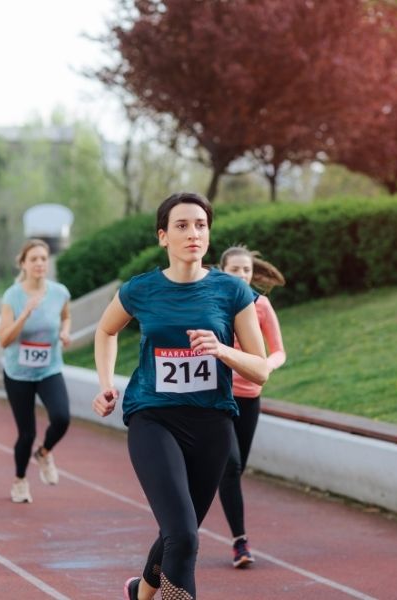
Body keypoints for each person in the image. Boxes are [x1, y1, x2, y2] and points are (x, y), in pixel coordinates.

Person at [92, 192, 270, 600]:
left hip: (212, 425)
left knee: (177, 533)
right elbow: (106, 331)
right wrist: (106, 383)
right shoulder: (142, 290)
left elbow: (260, 368)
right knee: (184, 536)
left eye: (201, 225)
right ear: (162, 237)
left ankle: (141, 591)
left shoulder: (232, 292)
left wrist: (222, 349)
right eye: (182, 225)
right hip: (153, 419)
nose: (194, 233)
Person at [217, 245, 287, 568]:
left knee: (235, 468)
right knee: (229, 466)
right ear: (222, 271)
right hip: (218, 397)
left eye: (246, 270)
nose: (242, 275)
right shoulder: (213, 301)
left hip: (250, 396)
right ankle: (240, 543)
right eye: (235, 270)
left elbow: (279, 351)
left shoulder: (261, 306)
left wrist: (266, 366)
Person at [0, 239, 72, 503]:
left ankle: (44, 452)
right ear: (24, 264)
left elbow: (65, 316)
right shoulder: (13, 296)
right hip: (18, 372)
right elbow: (4, 340)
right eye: (34, 259)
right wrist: (25, 314)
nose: (40, 263)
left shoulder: (60, 292)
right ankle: (20, 480)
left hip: (49, 367)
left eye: (43, 258)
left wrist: (64, 332)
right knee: (26, 433)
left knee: (62, 417)